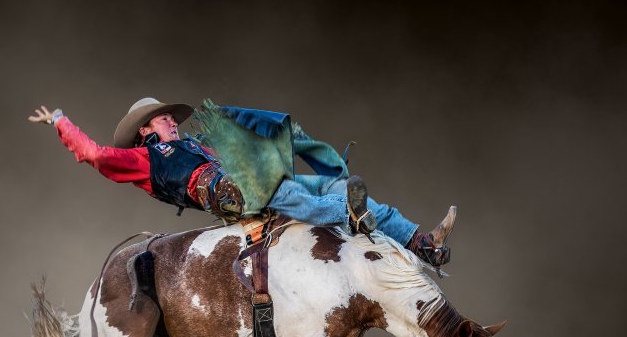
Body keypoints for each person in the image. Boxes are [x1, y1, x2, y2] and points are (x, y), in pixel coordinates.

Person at [28, 98, 452, 267]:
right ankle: (351, 219)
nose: (172, 121)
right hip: (225, 194)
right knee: (285, 195)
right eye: (163, 118)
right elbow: (95, 155)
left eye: (171, 117)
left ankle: (420, 243)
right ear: (145, 131)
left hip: (245, 179)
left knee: (329, 187)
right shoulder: (143, 159)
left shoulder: (195, 143)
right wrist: (62, 122)